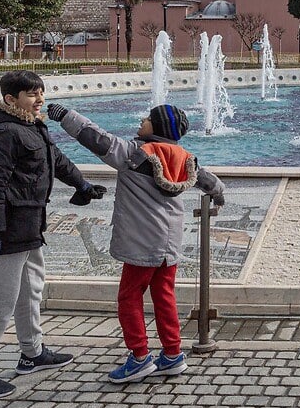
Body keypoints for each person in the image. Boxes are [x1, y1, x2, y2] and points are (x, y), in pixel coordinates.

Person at [45, 102, 225, 384]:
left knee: (129, 298)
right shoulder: (185, 157)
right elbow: (207, 181)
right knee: (164, 296)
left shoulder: (134, 154)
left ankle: (140, 357)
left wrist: (65, 115)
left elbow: (96, 138)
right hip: (169, 243)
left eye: (149, 118)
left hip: (142, 242)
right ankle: (172, 353)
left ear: (159, 128)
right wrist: (219, 193)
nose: (142, 119)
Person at [0, 70, 108, 399]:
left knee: (30, 292)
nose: (39, 99)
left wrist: (81, 183)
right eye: (31, 94)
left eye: (40, 92)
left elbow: (55, 159)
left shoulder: (31, 125)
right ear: (11, 99)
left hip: (29, 224)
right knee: (1, 302)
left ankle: (32, 353)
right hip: (7, 229)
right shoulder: (3, 132)